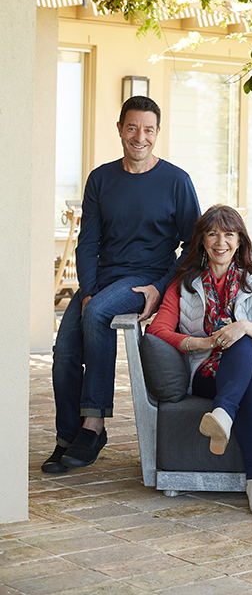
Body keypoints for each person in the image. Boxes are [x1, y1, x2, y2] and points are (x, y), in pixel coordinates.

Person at [42, 95, 200, 474]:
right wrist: (89, 288)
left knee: (97, 313)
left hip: (146, 277)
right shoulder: (101, 179)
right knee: (63, 351)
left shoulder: (177, 181)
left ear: (157, 133)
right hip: (103, 279)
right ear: (119, 129)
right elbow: (89, 241)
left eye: (148, 129)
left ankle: (94, 425)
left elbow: (192, 247)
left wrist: (160, 288)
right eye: (132, 127)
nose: (139, 137)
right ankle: (67, 437)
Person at [148, 205, 252, 516]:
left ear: (240, 241)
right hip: (208, 371)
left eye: (229, 234)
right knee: (251, 377)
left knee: (242, 344)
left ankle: (223, 414)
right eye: (212, 233)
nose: (220, 241)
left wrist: (245, 327)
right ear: (202, 241)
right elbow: (158, 329)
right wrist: (198, 342)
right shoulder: (184, 285)